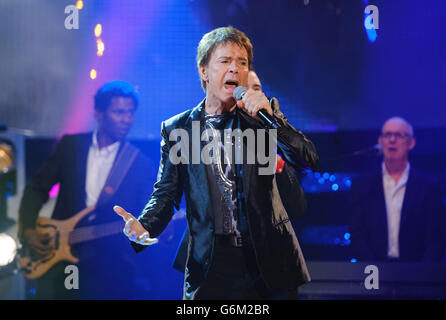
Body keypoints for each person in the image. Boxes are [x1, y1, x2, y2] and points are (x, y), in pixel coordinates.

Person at [114, 26, 318, 300]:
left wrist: (274, 122)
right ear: (204, 71)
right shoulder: (179, 129)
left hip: (267, 260)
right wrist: (144, 225)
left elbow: (308, 160)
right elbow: (166, 193)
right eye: (225, 61)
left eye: (242, 63)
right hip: (211, 263)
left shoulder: (262, 117)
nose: (235, 69)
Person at [17, 80, 155, 299]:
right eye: (119, 112)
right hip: (60, 257)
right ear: (99, 113)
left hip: (111, 265)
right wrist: (28, 230)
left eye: (130, 113)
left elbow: (150, 214)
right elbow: (36, 189)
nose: (127, 119)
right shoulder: (70, 146)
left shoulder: (139, 163)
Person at [171, 68, 308, 274]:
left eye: (256, 89)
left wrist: (276, 165)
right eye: (241, 91)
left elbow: (296, 209)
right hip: (214, 268)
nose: (250, 96)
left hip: (267, 269)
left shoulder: (274, 148)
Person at [349, 117, 445, 262]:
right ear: (380, 142)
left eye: (399, 135)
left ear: (411, 143)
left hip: (417, 273)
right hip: (372, 272)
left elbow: (436, 239)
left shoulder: (429, 186)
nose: (392, 140)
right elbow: (357, 234)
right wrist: (372, 270)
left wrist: (422, 273)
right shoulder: (362, 185)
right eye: (387, 135)